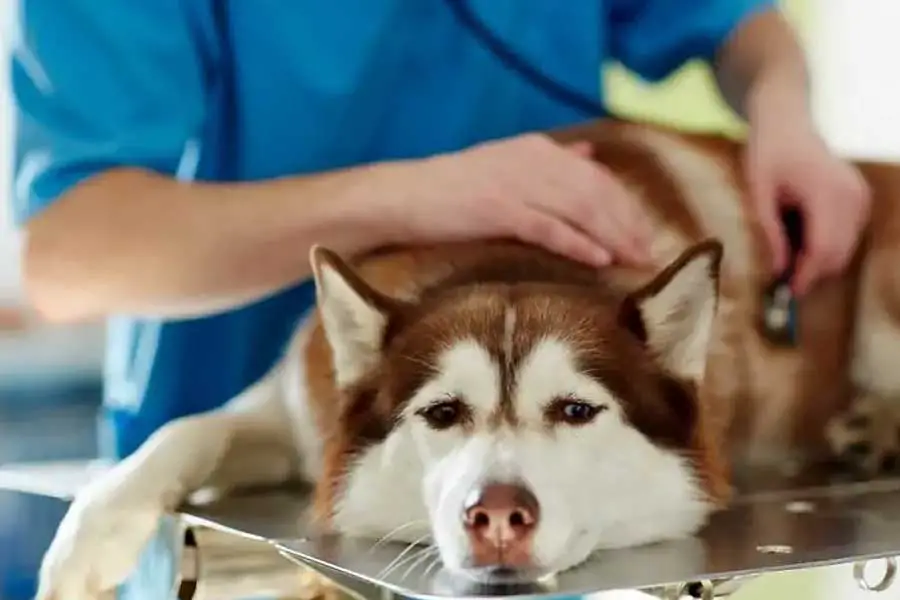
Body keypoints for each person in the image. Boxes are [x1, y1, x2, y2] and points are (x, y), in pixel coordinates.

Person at [12, 1, 869, 462]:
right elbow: (70, 254)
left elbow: (732, 22)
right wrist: (419, 196)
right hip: (257, 485)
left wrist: (783, 111)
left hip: (546, 477)